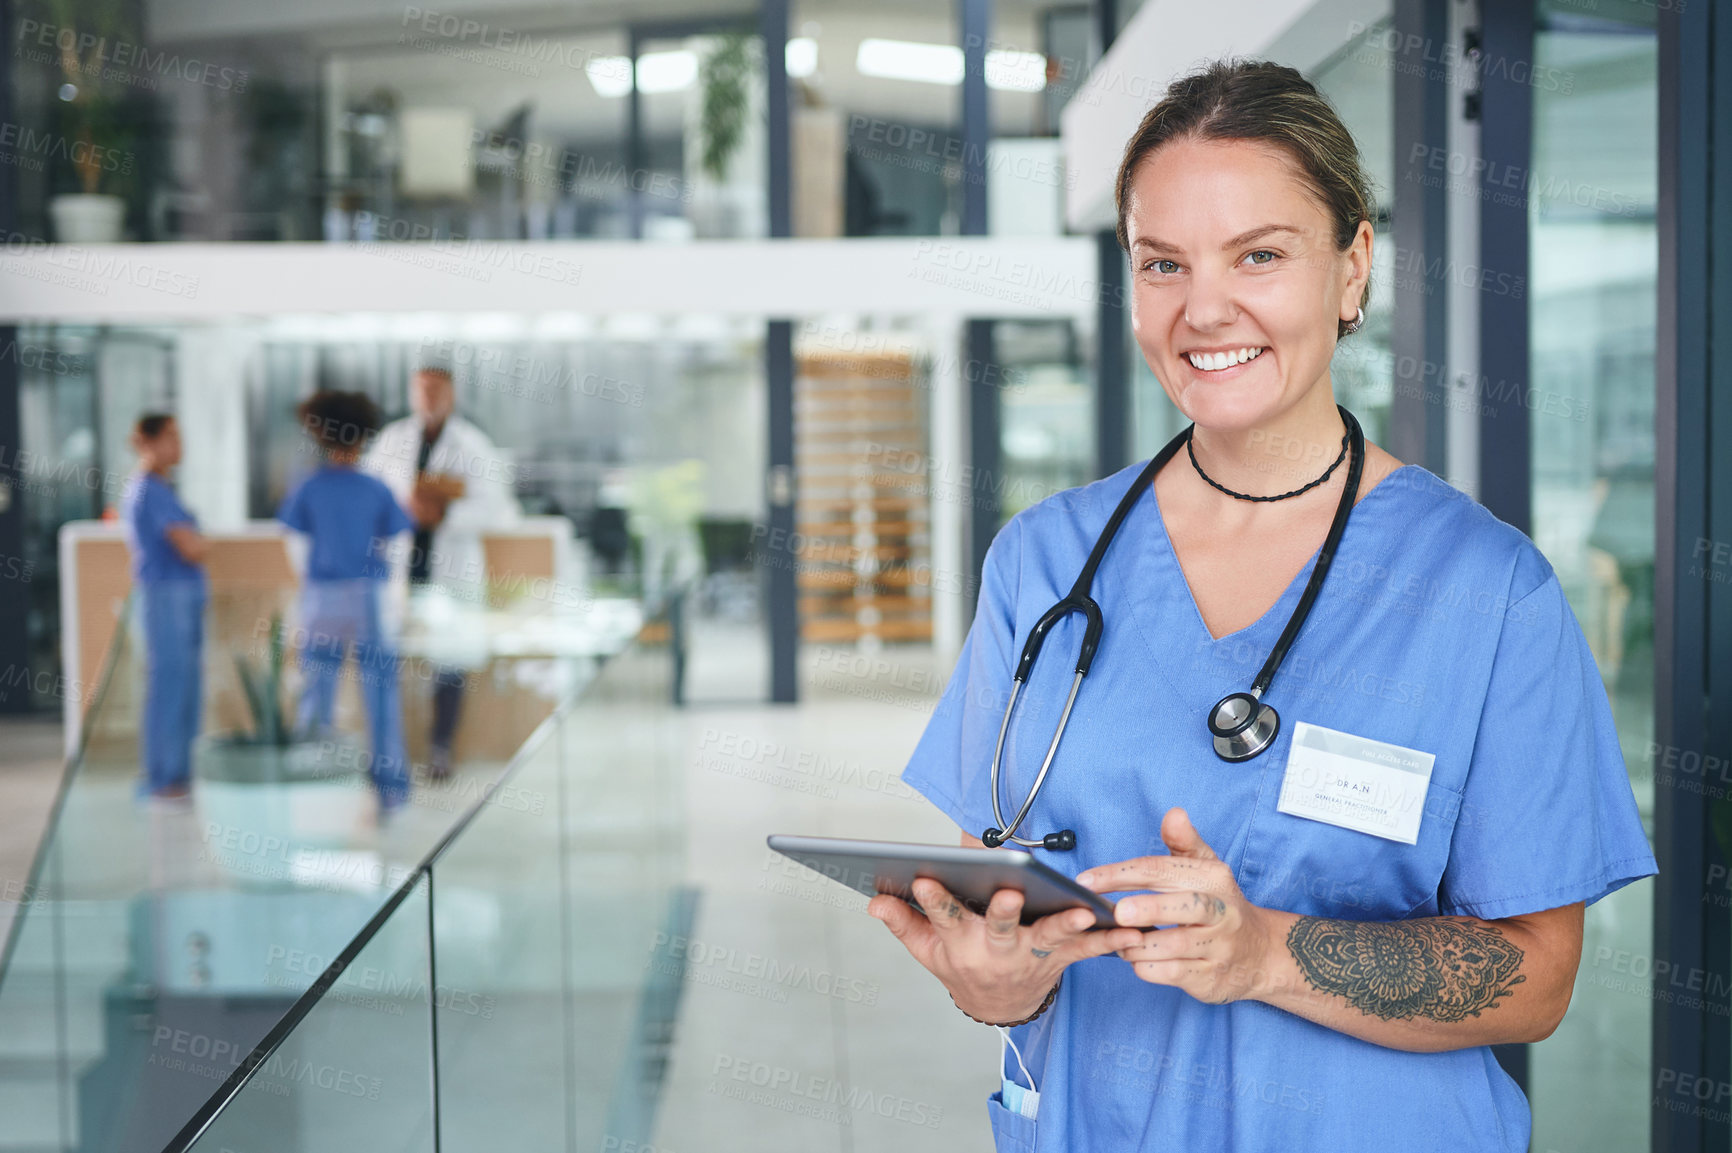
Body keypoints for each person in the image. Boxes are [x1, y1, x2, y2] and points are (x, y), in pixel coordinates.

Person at [867, 60, 1656, 1152]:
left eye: (1260, 254)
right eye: (1161, 263)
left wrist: (1264, 953)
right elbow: (1002, 935)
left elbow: (1537, 976)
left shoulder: (1486, 589)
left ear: (1351, 268)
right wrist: (994, 984)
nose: (1203, 309)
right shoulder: (1043, 565)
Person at [363, 365, 517, 778]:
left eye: (436, 390)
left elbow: (494, 506)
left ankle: (440, 749)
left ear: (451, 394)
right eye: (422, 390)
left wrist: (442, 514)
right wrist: (404, 509)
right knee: (392, 661)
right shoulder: (391, 441)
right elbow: (370, 494)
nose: (429, 398)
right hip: (401, 570)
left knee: (449, 662)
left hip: (449, 570)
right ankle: (389, 753)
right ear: (412, 394)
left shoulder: (473, 444)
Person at [278, 391, 416, 818]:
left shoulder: (308, 487)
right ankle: (390, 793)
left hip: (320, 599)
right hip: (368, 599)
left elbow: (295, 546)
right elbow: (394, 546)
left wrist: (315, 583)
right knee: (380, 696)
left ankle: (310, 785)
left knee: (316, 695)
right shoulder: (376, 489)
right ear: (364, 437)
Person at [120, 413, 208, 805]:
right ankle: (162, 778)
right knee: (169, 688)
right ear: (147, 441)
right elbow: (190, 546)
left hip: (182, 596)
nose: (180, 444)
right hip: (165, 597)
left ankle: (179, 775)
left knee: (186, 687)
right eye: (171, 436)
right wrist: (203, 544)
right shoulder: (147, 491)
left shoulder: (163, 488)